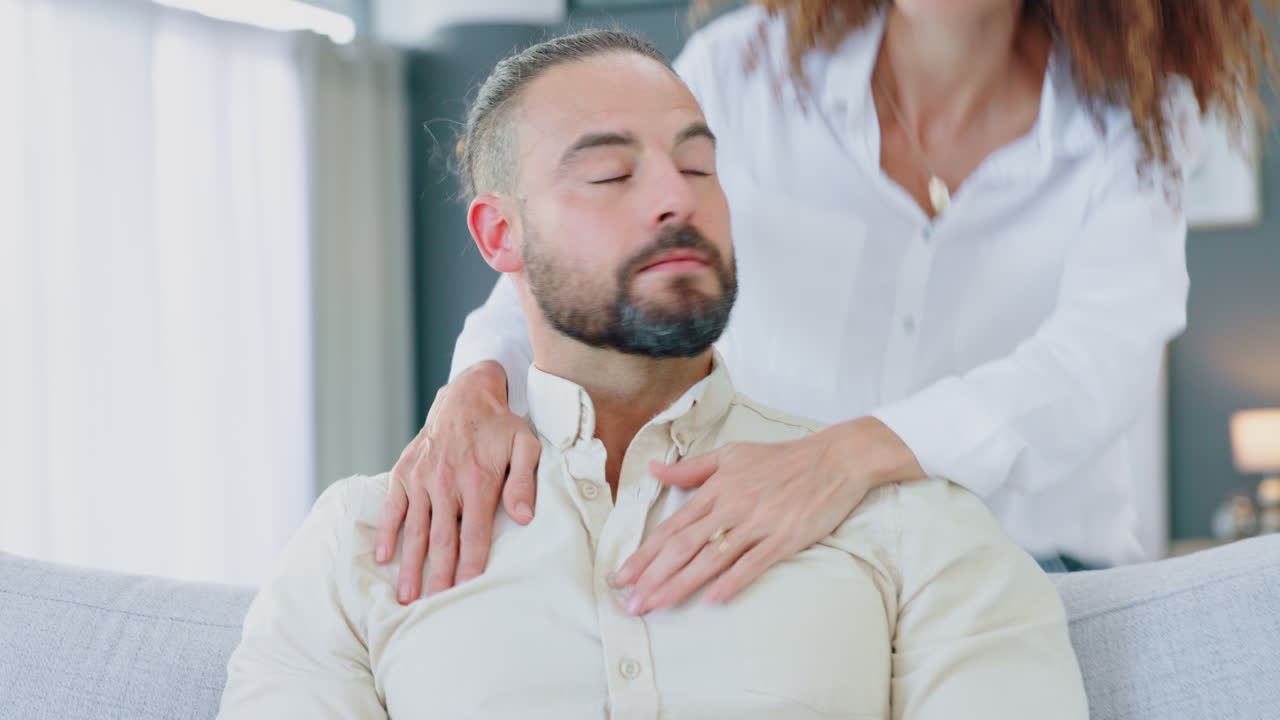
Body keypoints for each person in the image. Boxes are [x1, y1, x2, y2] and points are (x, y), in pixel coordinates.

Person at [218, 31, 1088, 719]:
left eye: (699, 166)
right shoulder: (363, 542)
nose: (677, 196)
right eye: (610, 172)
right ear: (498, 238)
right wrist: (475, 383)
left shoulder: (913, 526)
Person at [377, 0, 1279, 607]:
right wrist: (475, 391)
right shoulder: (750, 66)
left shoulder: (1136, 114)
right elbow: (567, 254)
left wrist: (850, 457)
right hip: (780, 562)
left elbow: (1100, 360)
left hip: (1032, 566)